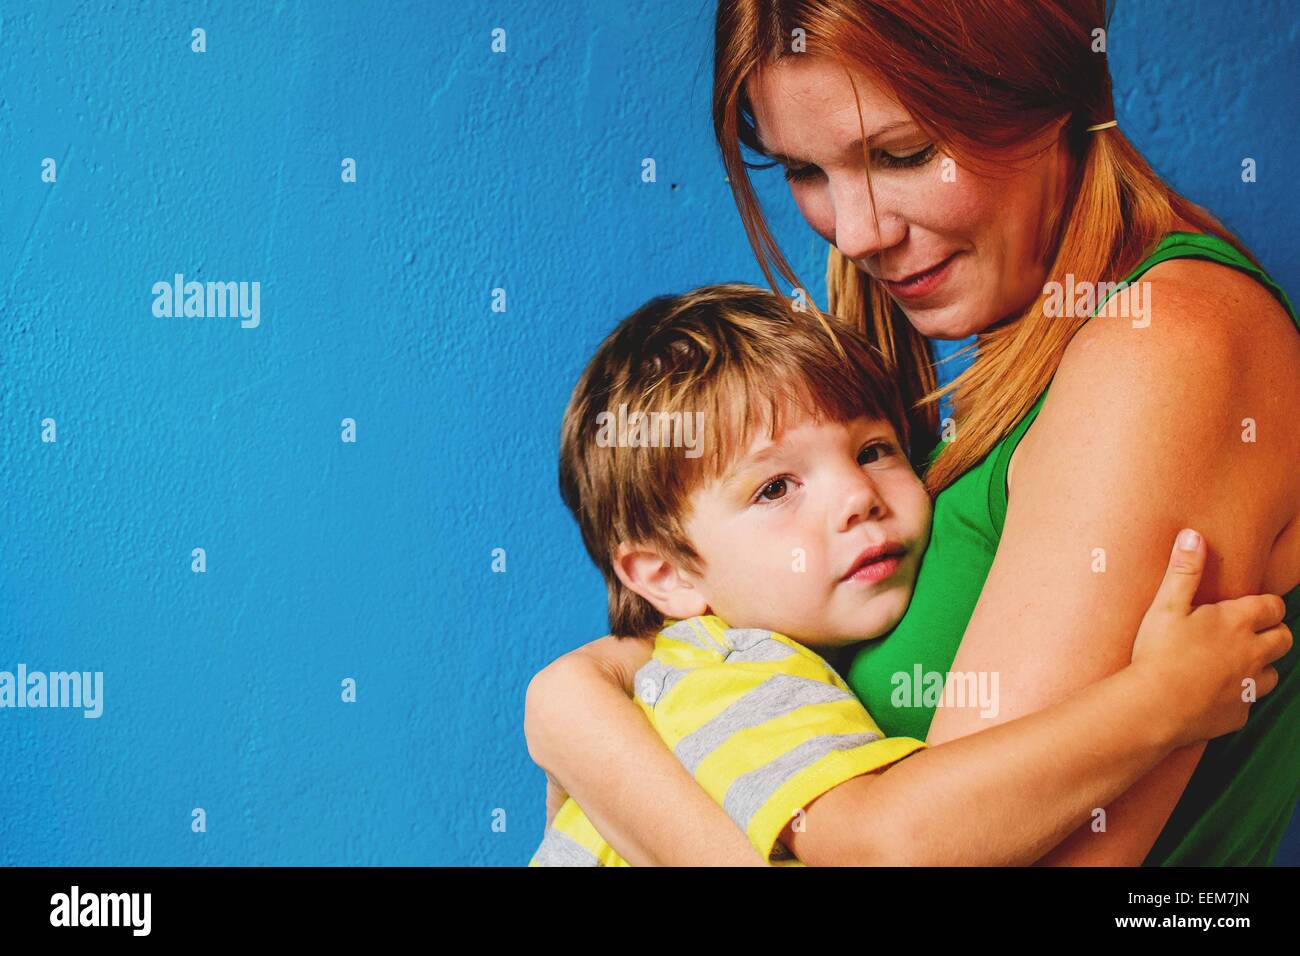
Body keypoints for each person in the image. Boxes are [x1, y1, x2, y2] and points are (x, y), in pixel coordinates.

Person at [525, 0, 1300, 865]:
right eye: (804, 171)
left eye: (903, 155)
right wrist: (573, 704)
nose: (857, 235)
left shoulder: (1170, 346)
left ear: (1050, 92)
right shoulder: (947, 395)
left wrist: (585, 730)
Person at [528, 285, 1289, 866]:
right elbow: (889, 843)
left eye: (872, 450)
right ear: (664, 576)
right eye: (775, 488)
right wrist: (1161, 703)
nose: (857, 498)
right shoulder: (730, 675)